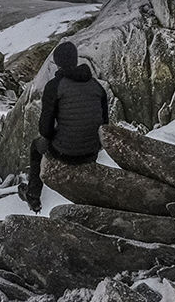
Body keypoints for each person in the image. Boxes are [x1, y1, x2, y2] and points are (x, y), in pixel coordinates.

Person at [19, 40, 108, 212]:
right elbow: (104, 125)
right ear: (75, 60)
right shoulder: (97, 86)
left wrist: (59, 138)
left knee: (36, 146)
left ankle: (33, 196)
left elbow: (44, 129)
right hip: (91, 152)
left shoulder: (55, 86)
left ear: (58, 63)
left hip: (65, 152)